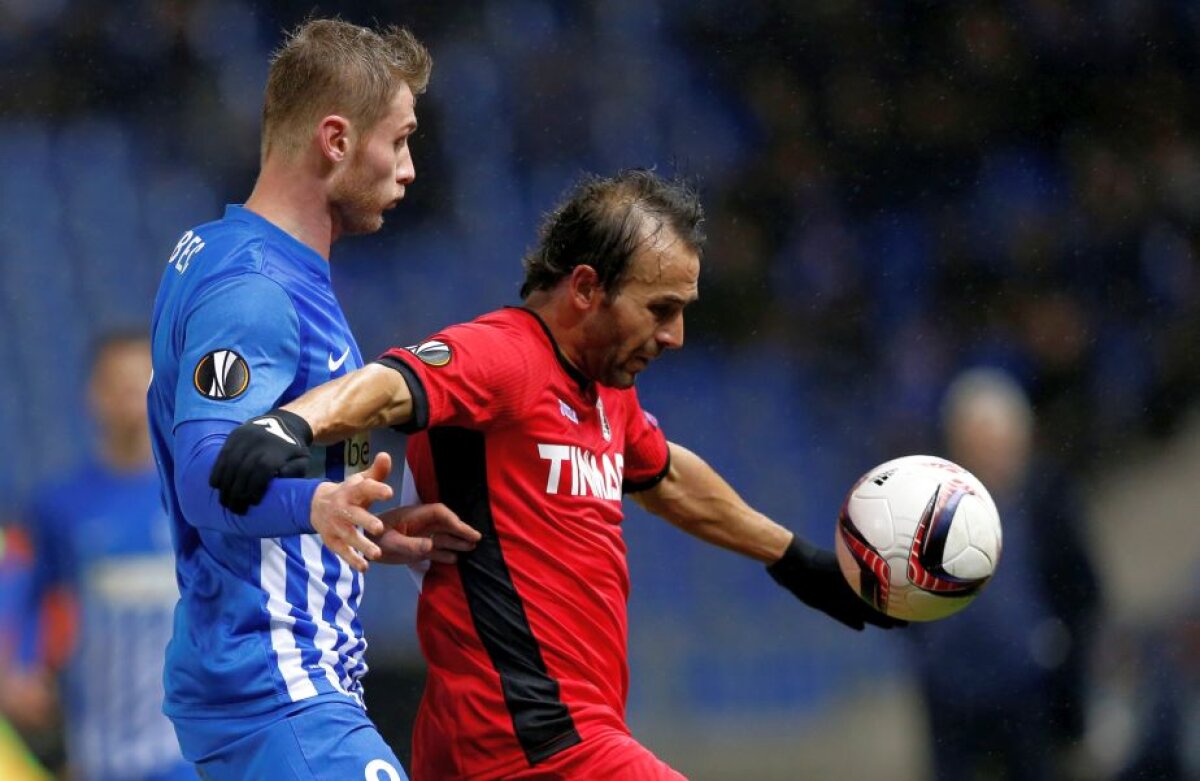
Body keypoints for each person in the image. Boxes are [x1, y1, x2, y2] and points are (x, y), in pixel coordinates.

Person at [209, 169, 904, 779]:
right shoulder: (503, 356)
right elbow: (388, 384)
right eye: (660, 309)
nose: (675, 335)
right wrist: (289, 424)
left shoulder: (607, 392)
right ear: (584, 288)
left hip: (507, 741)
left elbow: (664, 475)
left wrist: (794, 558)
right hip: (533, 736)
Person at [146, 18, 479, 781]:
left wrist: (363, 520)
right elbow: (207, 475)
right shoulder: (255, 291)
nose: (409, 170)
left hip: (273, 680)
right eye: (397, 142)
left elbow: (261, 449)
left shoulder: (232, 255)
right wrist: (317, 505)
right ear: (335, 139)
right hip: (276, 683)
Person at [1, 334, 192, 781]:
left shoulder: (199, 500)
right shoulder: (60, 507)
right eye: (117, 384)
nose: (130, 396)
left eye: (141, 383)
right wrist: (18, 667)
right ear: (94, 394)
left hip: (190, 756)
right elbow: (24, 591)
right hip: (102, 753)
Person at [909, 367, 1102, 781]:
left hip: (1028, 689)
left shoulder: (1047, 504)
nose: (991, 459)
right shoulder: (926, 507)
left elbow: (1082, 590)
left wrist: (1059, 652)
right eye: (977, 447)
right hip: (953, 693)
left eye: (999, 447)